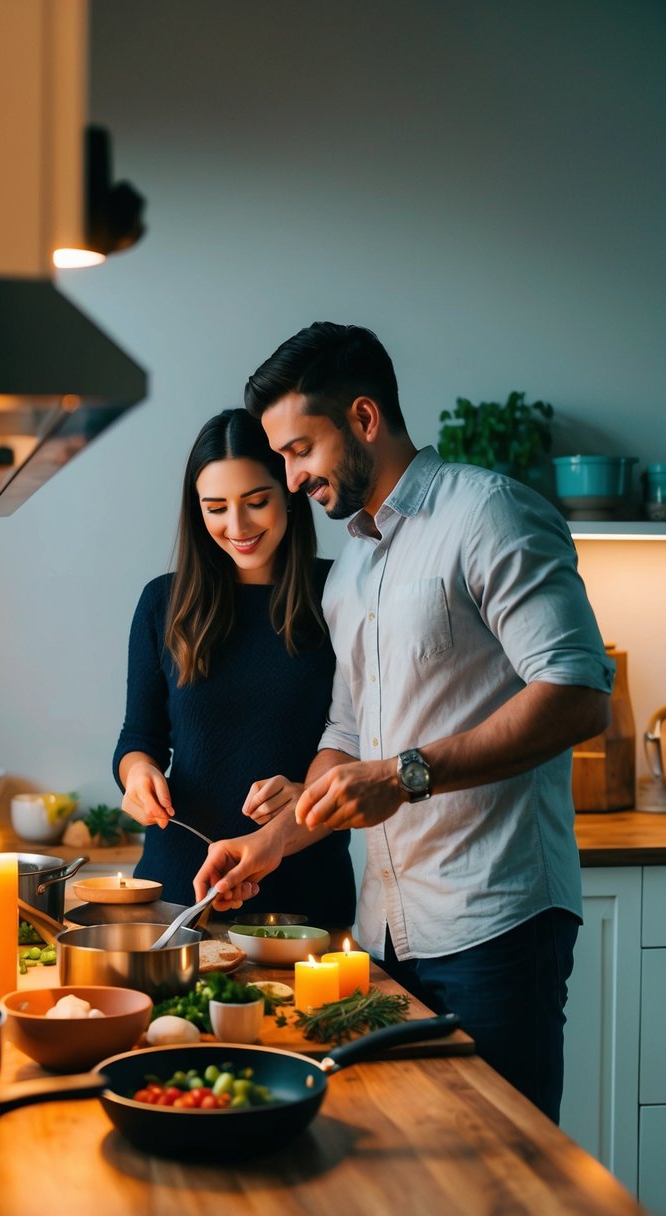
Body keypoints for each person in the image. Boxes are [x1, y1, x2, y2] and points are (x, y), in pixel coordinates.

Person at [193, 322, 614, 1122]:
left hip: (494, 920)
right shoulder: (352, 561)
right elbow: (347, 737)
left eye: (298, 450)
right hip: (385, 931)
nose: (289, 478)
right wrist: (271, 839)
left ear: (361, 419)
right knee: (417, 1170)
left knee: (502, 1172)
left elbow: (576, 690)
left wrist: (403, 774)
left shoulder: (489, 513)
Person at [113, 407, 356, 929]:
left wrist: (305, 793)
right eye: (216, 507)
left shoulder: (340, 594)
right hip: (179, 891)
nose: (237, 526)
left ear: (291, 492)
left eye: (256, 502)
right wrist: (139, 776)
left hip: (305, 894)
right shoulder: (163, 602)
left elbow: (358, 735)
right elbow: (139, 738)